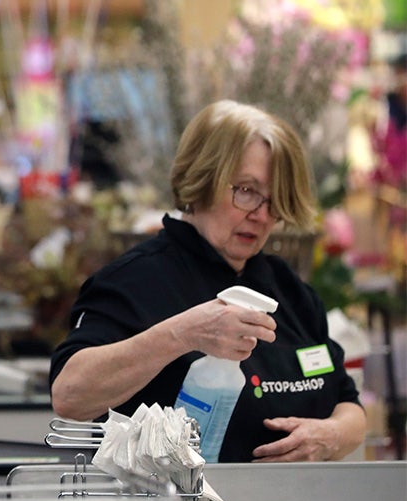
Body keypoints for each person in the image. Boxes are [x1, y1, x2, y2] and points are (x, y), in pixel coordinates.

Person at [49, 100, 366, 463]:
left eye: (275, 199)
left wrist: (332, 435)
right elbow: (69, 395)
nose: (262, 215)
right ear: (201, 181)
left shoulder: (288, 289)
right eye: (246, 190)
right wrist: (182, 335)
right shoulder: (137, 280)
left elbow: (349, 402)